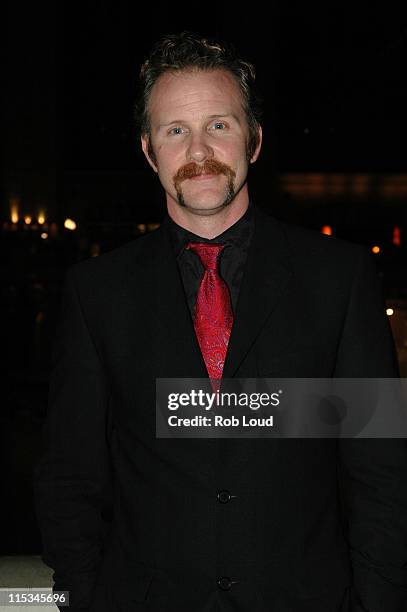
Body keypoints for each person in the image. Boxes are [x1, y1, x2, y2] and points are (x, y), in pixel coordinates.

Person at [33, 32, 407, 612]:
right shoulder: (95, 293)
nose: (199, 150)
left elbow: (382, 470)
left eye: (220, 125)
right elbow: (69, 478)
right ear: (148, 150)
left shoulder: (340, 278)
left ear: (254, 140)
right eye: (175, 130)